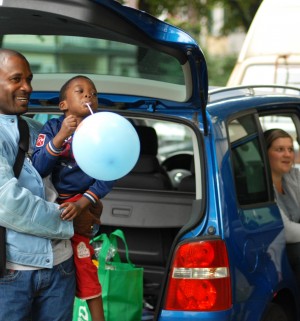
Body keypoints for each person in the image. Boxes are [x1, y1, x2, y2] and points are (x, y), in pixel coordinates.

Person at [0, 49, 76, 321]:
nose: (27, 88)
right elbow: (7, 202)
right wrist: (69, 222)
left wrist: (88, 203)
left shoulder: (37, 129)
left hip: (61, 266)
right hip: (12, 272)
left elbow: (69, 180)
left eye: (29, 79)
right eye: (16, 79)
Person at [32, 75, 114, 321]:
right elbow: (38, 168)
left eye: (94, 93)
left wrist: (83, 203)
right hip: (49, 203)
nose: (89, 96)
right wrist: (60, 138)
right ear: (63, 105)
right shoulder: (52, 129)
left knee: (84, 263)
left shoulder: (102, 135)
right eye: (80, 91)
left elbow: (110, 174)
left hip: (81, 203)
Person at [264, 128, 300, 287]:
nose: (287, 155)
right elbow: (286, 232)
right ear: (265, 153)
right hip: (275, 251)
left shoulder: (293, 176)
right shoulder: (261, 186)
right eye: (280, 149)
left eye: (290, 149)